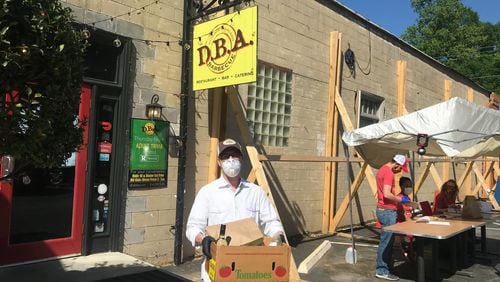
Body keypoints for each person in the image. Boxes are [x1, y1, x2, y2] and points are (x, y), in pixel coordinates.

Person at [185, 138, 284, 282]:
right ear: (219, 162)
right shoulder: (207, 193)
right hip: (217, 267)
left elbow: (271, 221)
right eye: (226, 157)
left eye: (234, 155)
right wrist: (203, 239)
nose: (230, 160)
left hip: (249, 268)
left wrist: (277, 235)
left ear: (241, 159)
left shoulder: (255, 192)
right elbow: (192, 227)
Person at [375, 154, 410, 281]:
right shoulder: (389, 173)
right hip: (387, 211)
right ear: (397, 164)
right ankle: (382, 270)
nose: (400, 170)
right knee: (386, 242)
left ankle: (385, 267)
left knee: (387, 241)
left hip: (383, 209)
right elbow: (387, 194)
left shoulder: (381, 170)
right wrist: (401, 200)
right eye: (400, 168)